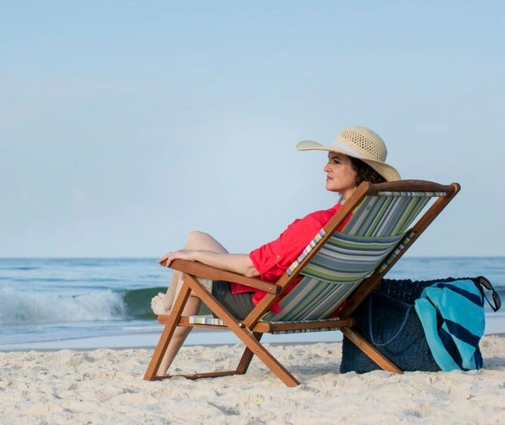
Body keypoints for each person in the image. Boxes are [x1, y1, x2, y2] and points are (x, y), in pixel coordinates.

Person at [149, 126, 401, 377]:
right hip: (319, 305)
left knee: (188, 272)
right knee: (196, 238)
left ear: (361, 171)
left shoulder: (319, 223)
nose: (326, 168)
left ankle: (160, 361)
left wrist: (193, 258)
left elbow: (250, 267)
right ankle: (169, 305)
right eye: (328, 161)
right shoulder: (372, 227)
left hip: (268, 303)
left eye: (336, 162)